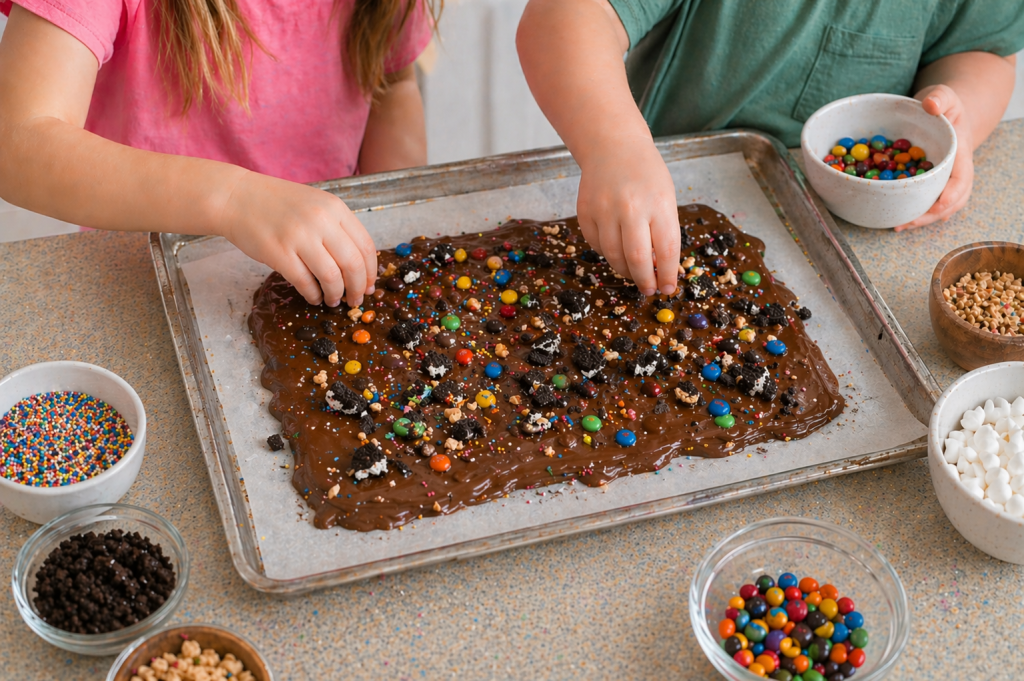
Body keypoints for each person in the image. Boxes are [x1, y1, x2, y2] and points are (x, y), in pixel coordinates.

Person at [517, 0, 1024, 297]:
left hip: (875, 246)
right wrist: (616, 148)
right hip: (661, 203)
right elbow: (564, 18)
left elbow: (983, 50)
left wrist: (961, 117)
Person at [0, 0, 440, 308]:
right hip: (141, 290)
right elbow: (18, 142)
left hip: (319, 287)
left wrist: (392, 231)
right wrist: (234, 198)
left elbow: (392, 85)